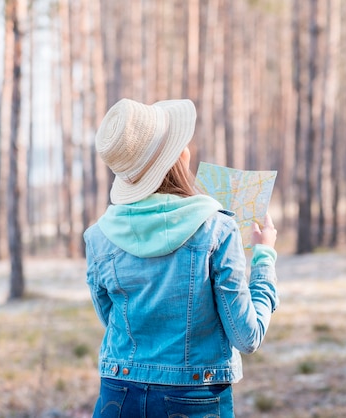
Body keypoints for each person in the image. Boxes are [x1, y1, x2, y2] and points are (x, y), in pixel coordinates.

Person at [83, 98, 279, 418]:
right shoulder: (217, 228)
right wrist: (264, 257)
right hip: (192, 396)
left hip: (117, 395)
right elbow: (248, 336)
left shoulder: (98, 237)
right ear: (181, 155)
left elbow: (114, 322)